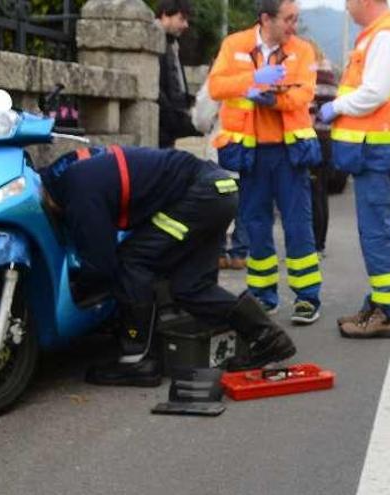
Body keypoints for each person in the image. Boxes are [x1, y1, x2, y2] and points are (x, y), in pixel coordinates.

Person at [39, 146, 297, 387]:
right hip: (221, 189)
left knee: (132, 260)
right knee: (191, 287)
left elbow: (101, 264)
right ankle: (268, 339)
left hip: (201, 194)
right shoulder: (86, 169)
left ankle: (138, 360)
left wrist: (78, 289)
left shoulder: (75, 192)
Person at [206, 0, 324, 325]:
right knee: (256, 226)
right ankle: (263, 296)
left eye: (296, 19)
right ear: (266, 19)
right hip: (251, 153)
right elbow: (217, 87)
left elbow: (303, 94)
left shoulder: (302, 50)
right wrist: (254, 78)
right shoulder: (235, 45)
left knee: (298, 225)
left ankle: (307, 298)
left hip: (289, 153)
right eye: (288, 19)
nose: (293, 26)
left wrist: (271, 98)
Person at [317, 0, 390, 339]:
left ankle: (385, 312)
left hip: (381, 151)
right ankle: (378, 303)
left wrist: (333, 107)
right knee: (377, 230)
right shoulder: (379, 35)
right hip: (382, 149)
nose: (347, 7)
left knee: (376, 232)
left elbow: (374, 93)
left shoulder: (386, 36)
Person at [191, 81, 249, 270]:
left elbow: (202, 117)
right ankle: (240, 252)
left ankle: (218, 251)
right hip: (251, 147)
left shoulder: (220, 76)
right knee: (246, 203)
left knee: (219, 202)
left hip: (222, 148)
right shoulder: (259, 67)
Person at [304, 39, 337, 256]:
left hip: (313, 136)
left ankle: (315, 243)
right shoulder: (330, 72)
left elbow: (308, 106)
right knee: (320, 191)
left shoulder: (314, 72)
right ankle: (320, 242)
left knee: (313, 192)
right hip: (327, 137)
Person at [156, 0, 200, 148]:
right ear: (165, 16)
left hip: (169, 125)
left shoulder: (172, 44)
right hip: (160, 125)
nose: (185, 25)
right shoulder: (156, 43)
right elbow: (158, 88)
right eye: (181, 19)